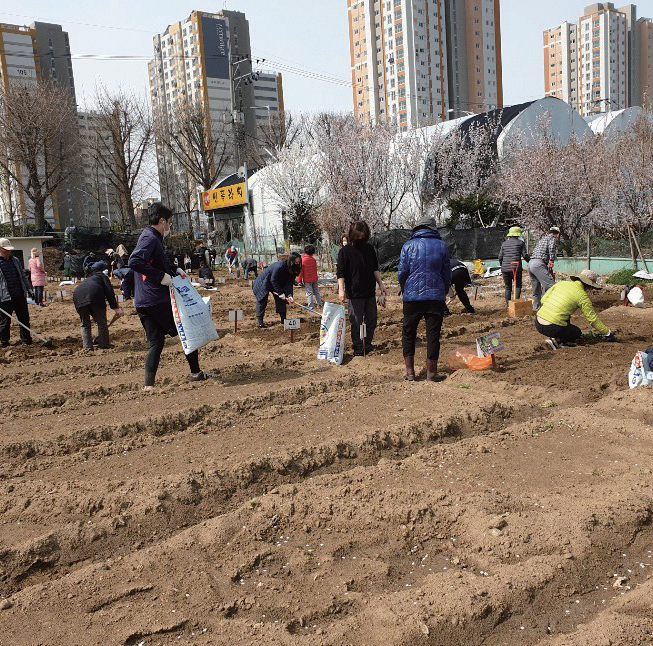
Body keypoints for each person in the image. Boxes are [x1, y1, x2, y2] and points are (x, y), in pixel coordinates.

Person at [128, 202, 207, 389]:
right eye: (170, 222)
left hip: (143, 301)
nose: (170, 227)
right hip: (156, 299)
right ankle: (196, 373)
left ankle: (149, 385)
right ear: (162, 221)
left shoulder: (149, 237)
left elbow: (156, 262)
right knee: (187, 330)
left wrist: (173, 269)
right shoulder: (151, 238)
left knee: (156, 342)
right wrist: (161, 276)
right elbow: (134, 261)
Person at [398, 217, 451, 382]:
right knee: (433, 334)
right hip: (435, 296)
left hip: (412, 297)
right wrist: (445, 289)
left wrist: (404, 287)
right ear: (433, 229)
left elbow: (402, 272)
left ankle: (410, 372)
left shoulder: (408, 246)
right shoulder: (441, 246)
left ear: (416, 229)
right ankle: (432, 372)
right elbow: (447, 273)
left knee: (408, 333)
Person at [337, 221, 387, 357]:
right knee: (356, 321)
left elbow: (374, 268)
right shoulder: (344, 252)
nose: (360, 239)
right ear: (352, 235)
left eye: (363, 236)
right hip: (354, 293)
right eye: (358, 236)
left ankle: (368, 344)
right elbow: (340, 273)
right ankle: (358, 348)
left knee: (372, 319)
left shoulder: (369, 249)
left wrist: (381, 284)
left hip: (369, 291)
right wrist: (341, 290)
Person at [534, 269, 616, 350]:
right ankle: (556, 342)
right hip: (552, 327)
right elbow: (592, 319)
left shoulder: (560, 284)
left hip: (538, 322)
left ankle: (553, 338)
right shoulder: (582, 296)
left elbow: (543, 300)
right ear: (589, 286)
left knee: (565, 319)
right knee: (576, 332)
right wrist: (607, 333)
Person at [73, 261, 123, 351]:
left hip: (78, 297)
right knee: (101, 322)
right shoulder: (103, 277)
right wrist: (116, 308)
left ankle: (87, 347)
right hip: (95, 296)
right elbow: (109, 293)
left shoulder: (89, 278)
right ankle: (104, 345)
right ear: (102, 270)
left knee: (85, 324)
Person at [252, 253, 302, 328]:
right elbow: (273, 280)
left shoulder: (294, 269)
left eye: (299, 262)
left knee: (282, 301)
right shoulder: (280, 266)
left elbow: (289, 283)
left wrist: (290, 295)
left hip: (278, 283)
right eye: (296, 262)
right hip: (264, 282)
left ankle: (283, 321)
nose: (298, 263)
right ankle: (260, 323)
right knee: (262, 300)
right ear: (291, 261)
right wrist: (280, 293)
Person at [0, 237, 33, 346]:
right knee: (5, 322)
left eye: (9, 249)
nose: (9, 251)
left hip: (19, 294)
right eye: (6, 249)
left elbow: (23, 276)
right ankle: (4, 342)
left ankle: (26, 340)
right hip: (4, 297)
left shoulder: (16, 260)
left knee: (24, 319)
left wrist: (29, 289)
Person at [529, 226, 560, 311]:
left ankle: (536, 308)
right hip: (539, 263)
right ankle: (547, 307)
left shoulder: (542, 239)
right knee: (550, 285)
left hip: (531, 263)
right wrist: (551, 261)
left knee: (536, 289)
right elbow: (551, 249)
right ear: (557, 234)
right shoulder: (552, 239)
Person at [499, 226, 530, 306]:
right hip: (516, 267)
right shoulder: (520, 243)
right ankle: (516, 303)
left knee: (508, 287)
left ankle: (508, 304)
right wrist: (530, 261)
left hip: (505, 269)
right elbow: (525, 255)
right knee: (518, 285)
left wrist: (502, 265)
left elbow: (500, 257)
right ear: (518, 234)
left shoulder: (504, 243)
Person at [298, 244, 322, 310]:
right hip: (314, 279)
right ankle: (319, 304)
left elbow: (301, 272)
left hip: (307, 279)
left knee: (309, 293)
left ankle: (311, 306)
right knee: (316, 292)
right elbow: (315, 270)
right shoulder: (313, 260)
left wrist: (299, 281)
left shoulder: (303, 260)